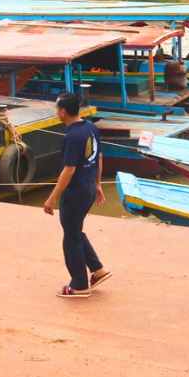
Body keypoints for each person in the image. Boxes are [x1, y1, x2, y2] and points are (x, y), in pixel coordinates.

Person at [43, 92, 111, 297]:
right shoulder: (91, 128)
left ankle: (79, 284)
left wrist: (52, 197)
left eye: (57, 109)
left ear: (63, 111)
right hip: (89, 188)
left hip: (75, 193)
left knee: (70, 238)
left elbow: (69, 170)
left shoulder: (73, 136)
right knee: (75, 231)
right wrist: (98, 184)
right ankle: (98, 270)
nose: (56, 112)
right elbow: (98, 156)